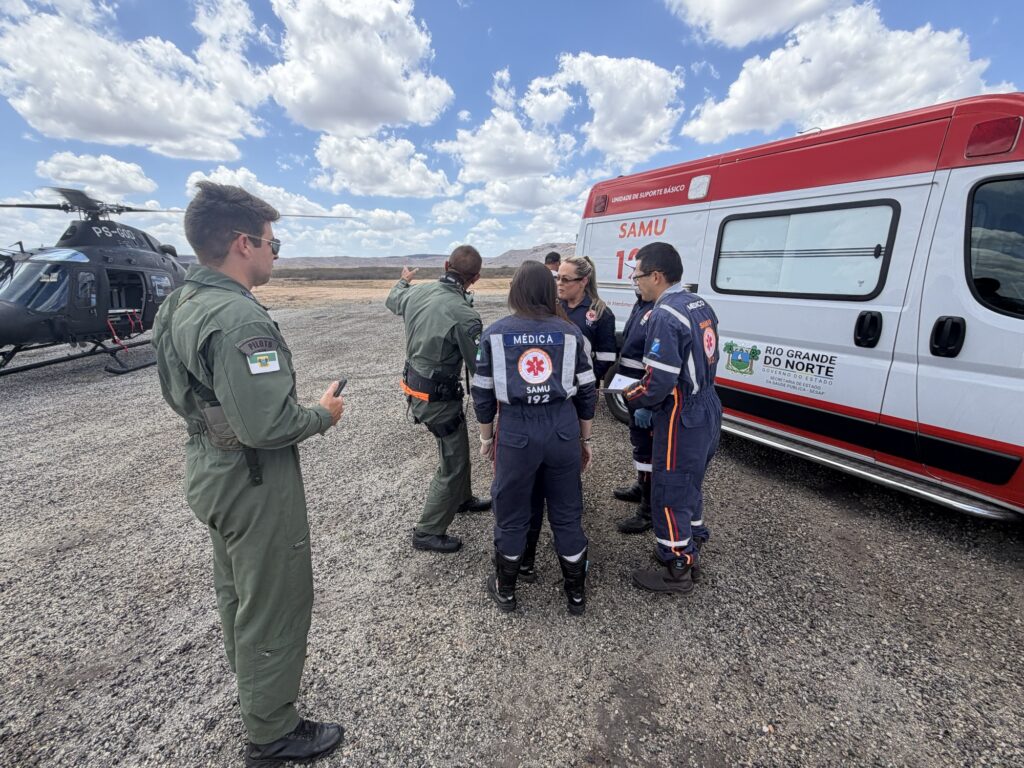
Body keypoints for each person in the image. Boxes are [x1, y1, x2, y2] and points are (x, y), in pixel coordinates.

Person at [152, 181, 346, 766]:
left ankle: (258, 691)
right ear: (243, 243)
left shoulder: (180, 302)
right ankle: (271, 732)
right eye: (271, 243)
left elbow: (180, 393)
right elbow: (267, 424)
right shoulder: (238, 319)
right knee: (275, 598)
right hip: (253, 476)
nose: (274, 254)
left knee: (239, 591)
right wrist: (322, 414)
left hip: (213, 468)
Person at [472, 260, 597, 614]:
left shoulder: (495, 334)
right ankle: (575, 595)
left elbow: (482, 393)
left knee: (511, 512)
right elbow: (588, 391)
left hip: (516, 431)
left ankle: (507, 590)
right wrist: (585, 440)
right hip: (562, 429)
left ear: (515, 291)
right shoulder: (571, 333)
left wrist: (486, 438)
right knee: (567, 513)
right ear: (547, 290)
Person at [622, 242, 722, 594]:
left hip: (683, 411)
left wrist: (629, 396)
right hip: (708, 404)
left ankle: (677, 566)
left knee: (670, 489)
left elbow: (658, 383)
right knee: (690, 482)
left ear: (656, 276)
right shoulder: (698, 303)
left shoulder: (664, 315)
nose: (636, 282)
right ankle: (692, 540)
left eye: (637, 275)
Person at [386, 246, 491, 554]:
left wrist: (403, 280)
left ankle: (462, 499)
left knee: (457, 446)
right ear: (476, 278)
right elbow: (479, 368)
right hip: (438, 398)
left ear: (446, 265)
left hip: (417, 389)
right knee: (453, 461)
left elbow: (393, 299)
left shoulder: (417, 293)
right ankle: (427, 530)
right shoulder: (465, 314)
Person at [612, 286, 657, 533]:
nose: (633, 281)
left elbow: (657, 362)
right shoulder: (641, 304)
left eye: (637, 275)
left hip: (644, 394)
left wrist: (648, 403)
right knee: (639, 443)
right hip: (631, 389)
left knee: (649, 451)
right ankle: (641, 486)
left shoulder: (658, 309)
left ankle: (648, 510)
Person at [557, 255, 616, 381]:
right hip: (555, 384)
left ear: (583, 281)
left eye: (565, 279)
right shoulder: (553, 307)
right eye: (558, 278)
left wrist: (585, 382)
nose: (559, 283)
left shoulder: (601, 313)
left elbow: (606, 357)